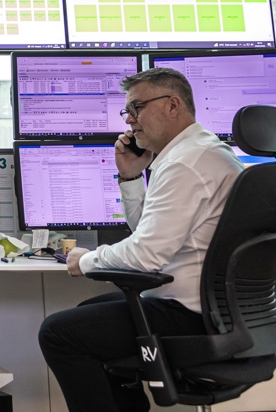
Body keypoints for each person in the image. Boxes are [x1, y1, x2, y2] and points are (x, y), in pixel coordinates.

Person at [38, 67, 243, 412]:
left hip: (189, 313)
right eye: (127, 110)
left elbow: (146, 256)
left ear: (173, 105)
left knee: (58, 333)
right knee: (87, 314)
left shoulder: (185, 163)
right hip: (214, 308)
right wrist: (132, 176)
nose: (129, 120)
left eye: (137, 107)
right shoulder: (204, 152)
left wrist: (85, 261)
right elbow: (151, 232)